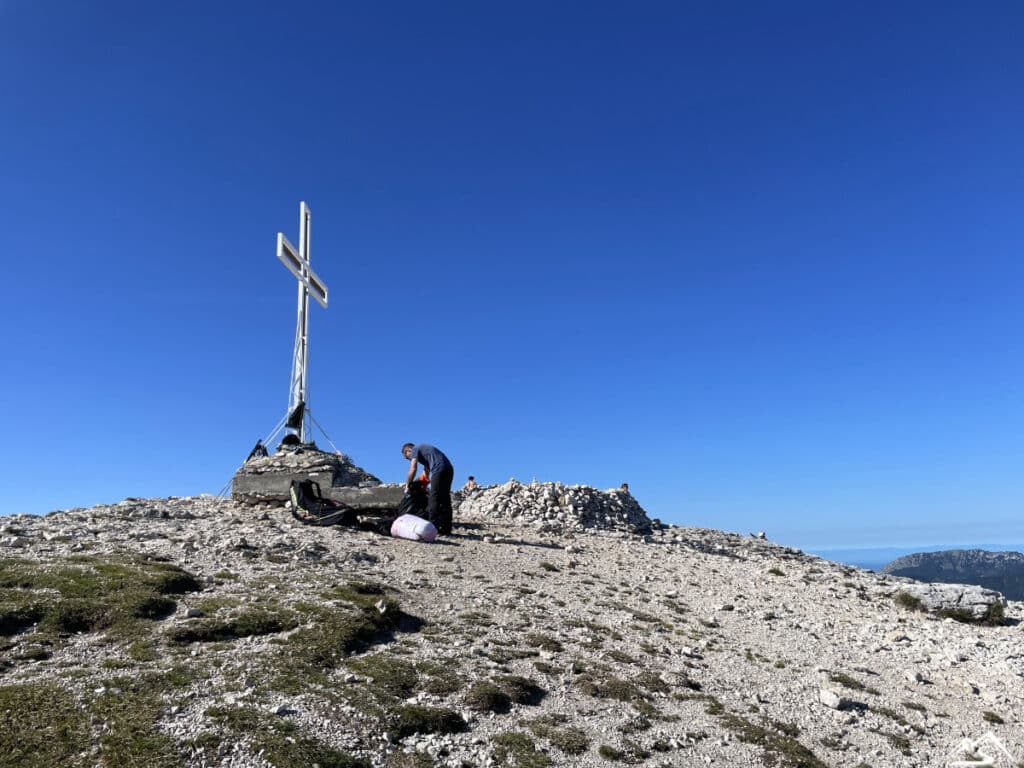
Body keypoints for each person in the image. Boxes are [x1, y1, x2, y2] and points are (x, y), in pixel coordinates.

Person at [402, 443, 454, 535]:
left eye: (407, 457)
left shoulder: (415, 449)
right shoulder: (425, 452)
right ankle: (446, 529)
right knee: (445, 498)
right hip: (449, 469)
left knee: (434, 498)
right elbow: (426, 471)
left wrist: (407, 485)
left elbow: (413, 468)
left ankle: (432, 526)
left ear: (407, 451)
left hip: (439, 470)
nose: (409, 459)